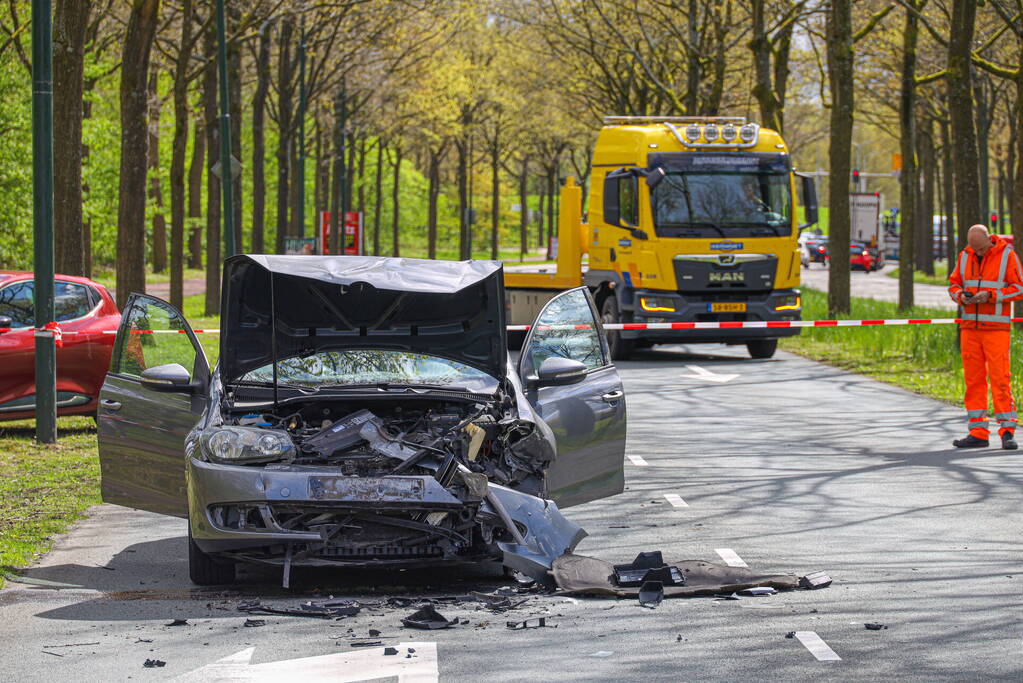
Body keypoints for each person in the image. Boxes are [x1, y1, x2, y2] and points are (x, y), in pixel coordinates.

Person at [947, 224, 1023, 449]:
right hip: (970, 328)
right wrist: (961, 296)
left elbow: (1019, 288)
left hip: (996, 329)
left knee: (1001, 380)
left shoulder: (1007, 255)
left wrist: (990, 296)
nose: (977, 252)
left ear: (989, 240)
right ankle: (978, 432)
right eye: (973, 248)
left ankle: (1007, 431)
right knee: (974, 382)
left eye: (980, 249)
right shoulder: (964, 255)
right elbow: (953, 285)